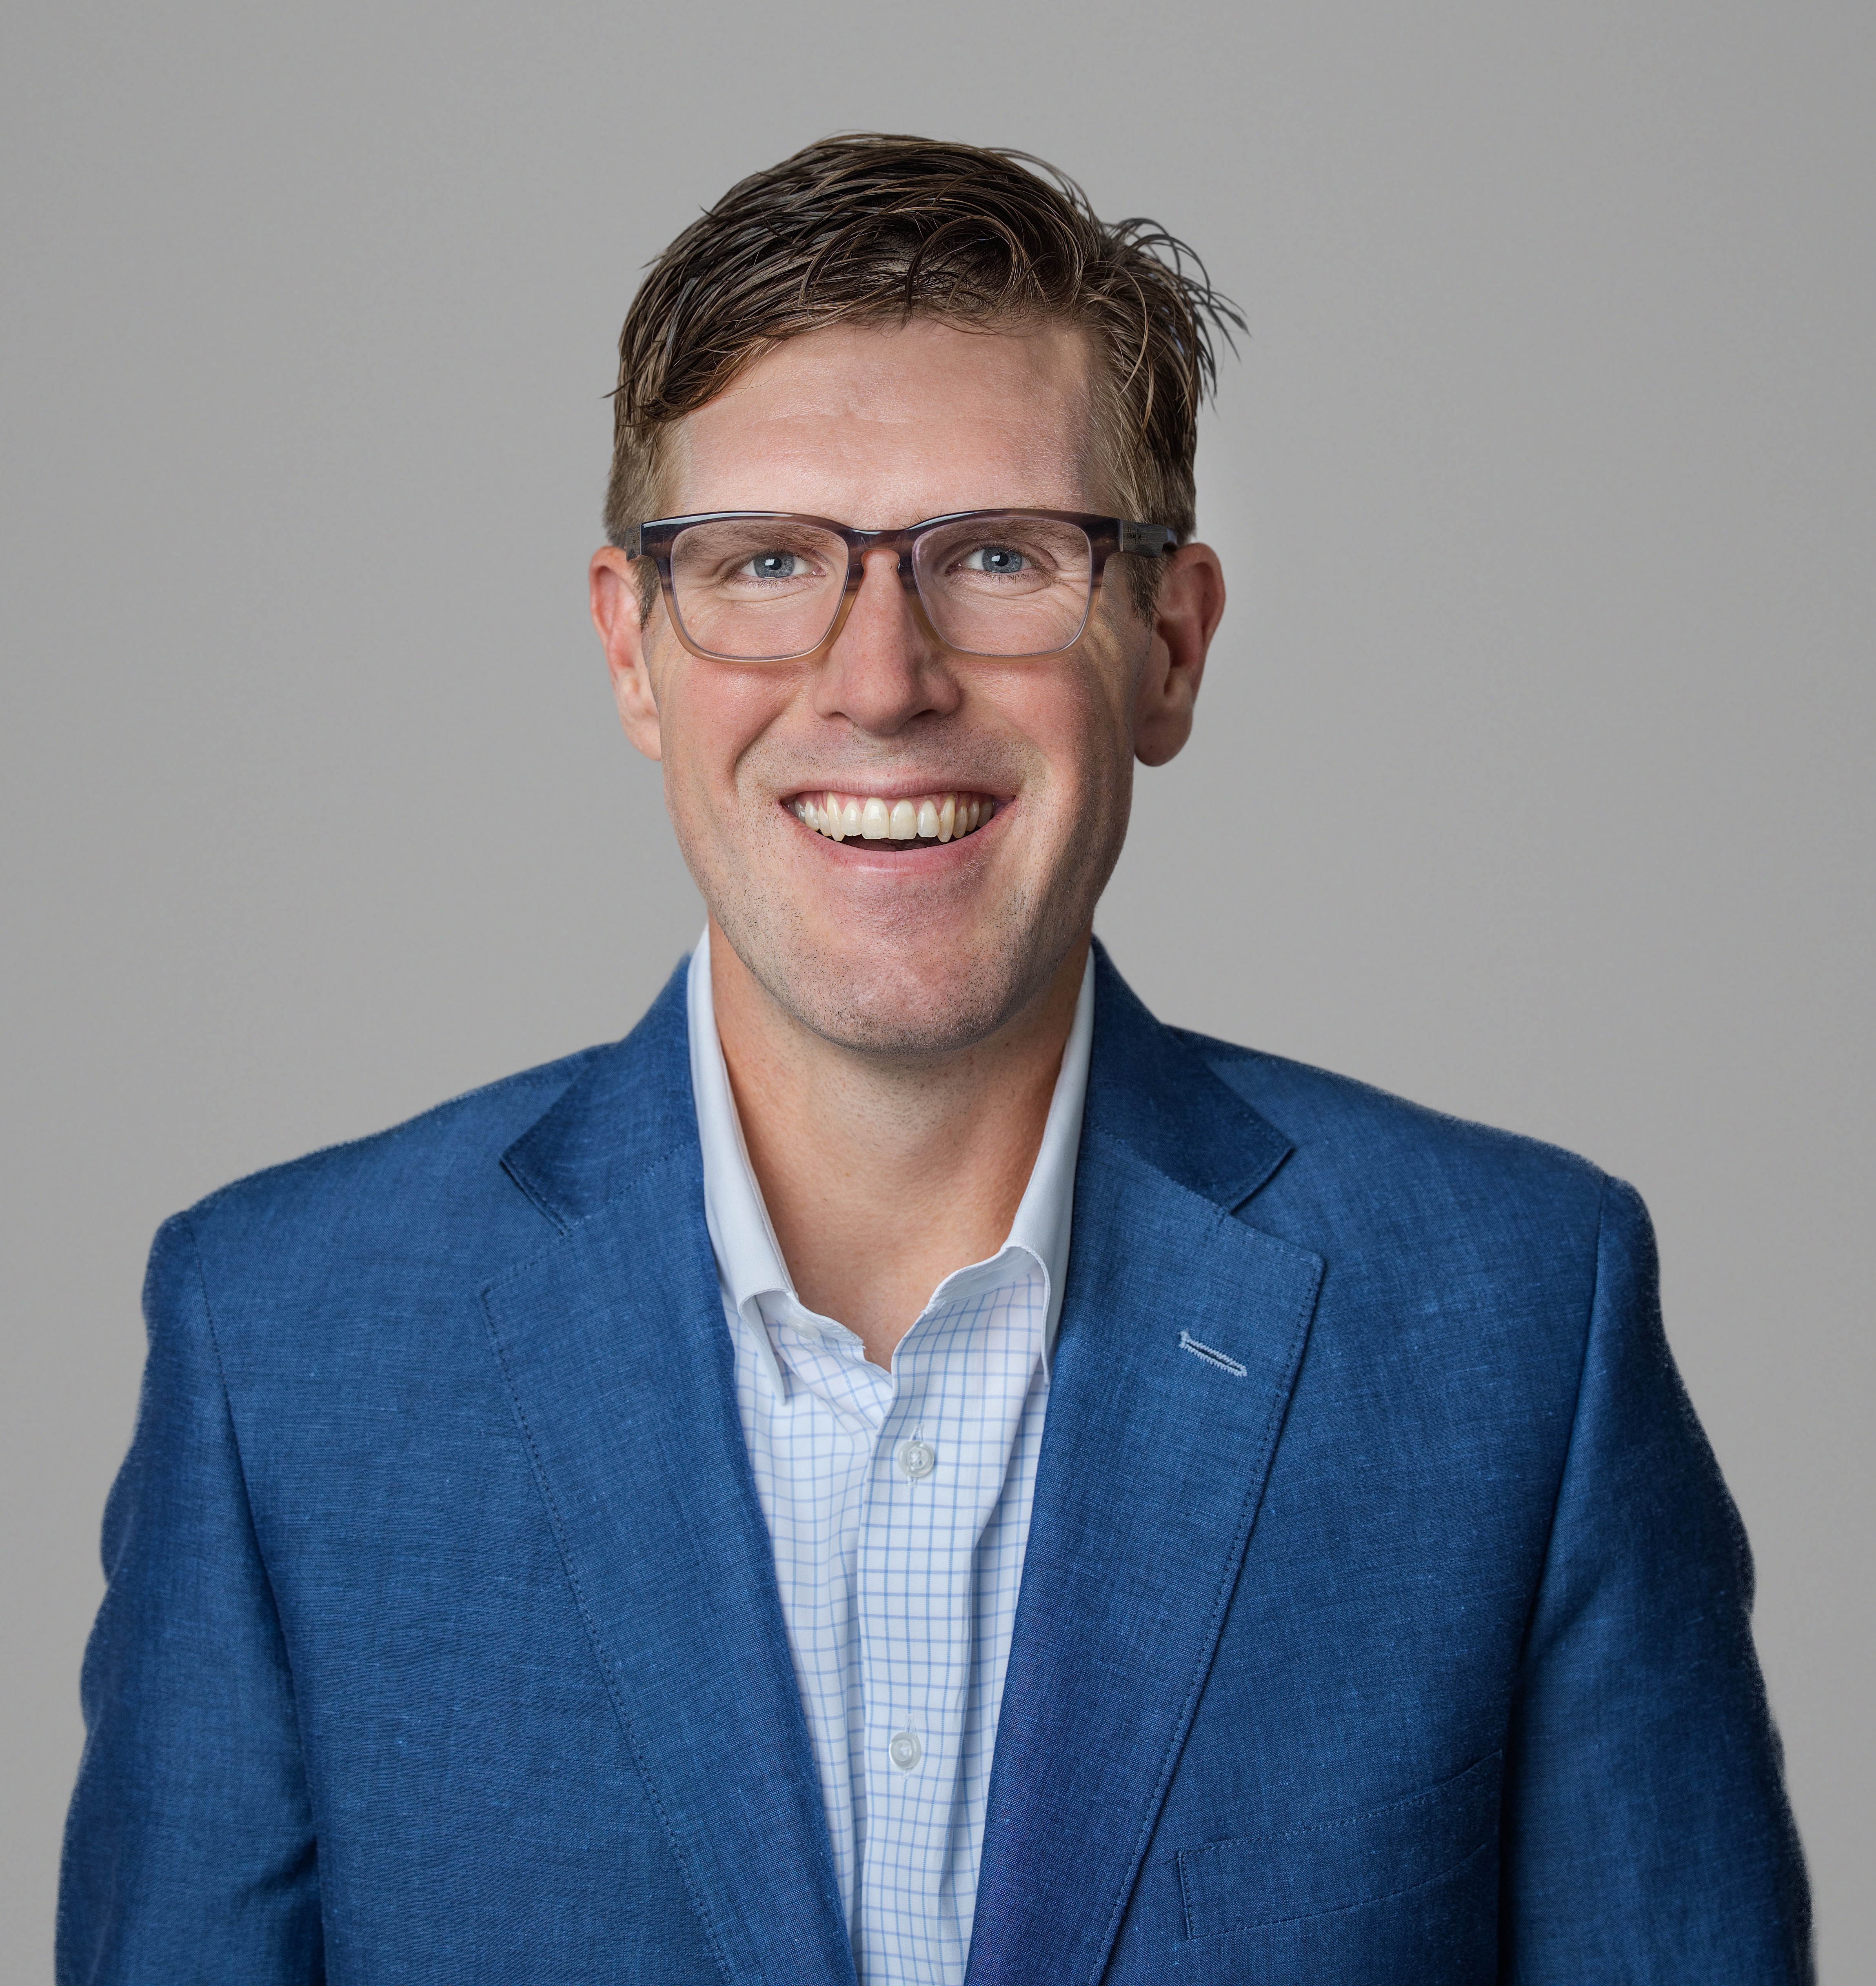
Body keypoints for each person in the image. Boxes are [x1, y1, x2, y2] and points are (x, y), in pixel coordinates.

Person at [60, 134, 1810, 1985]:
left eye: (996, 555)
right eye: (761, 562)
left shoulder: (1516, 1321)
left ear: (1168, 643)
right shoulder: (289, 1337)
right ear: (632, 649)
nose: (878, 675)